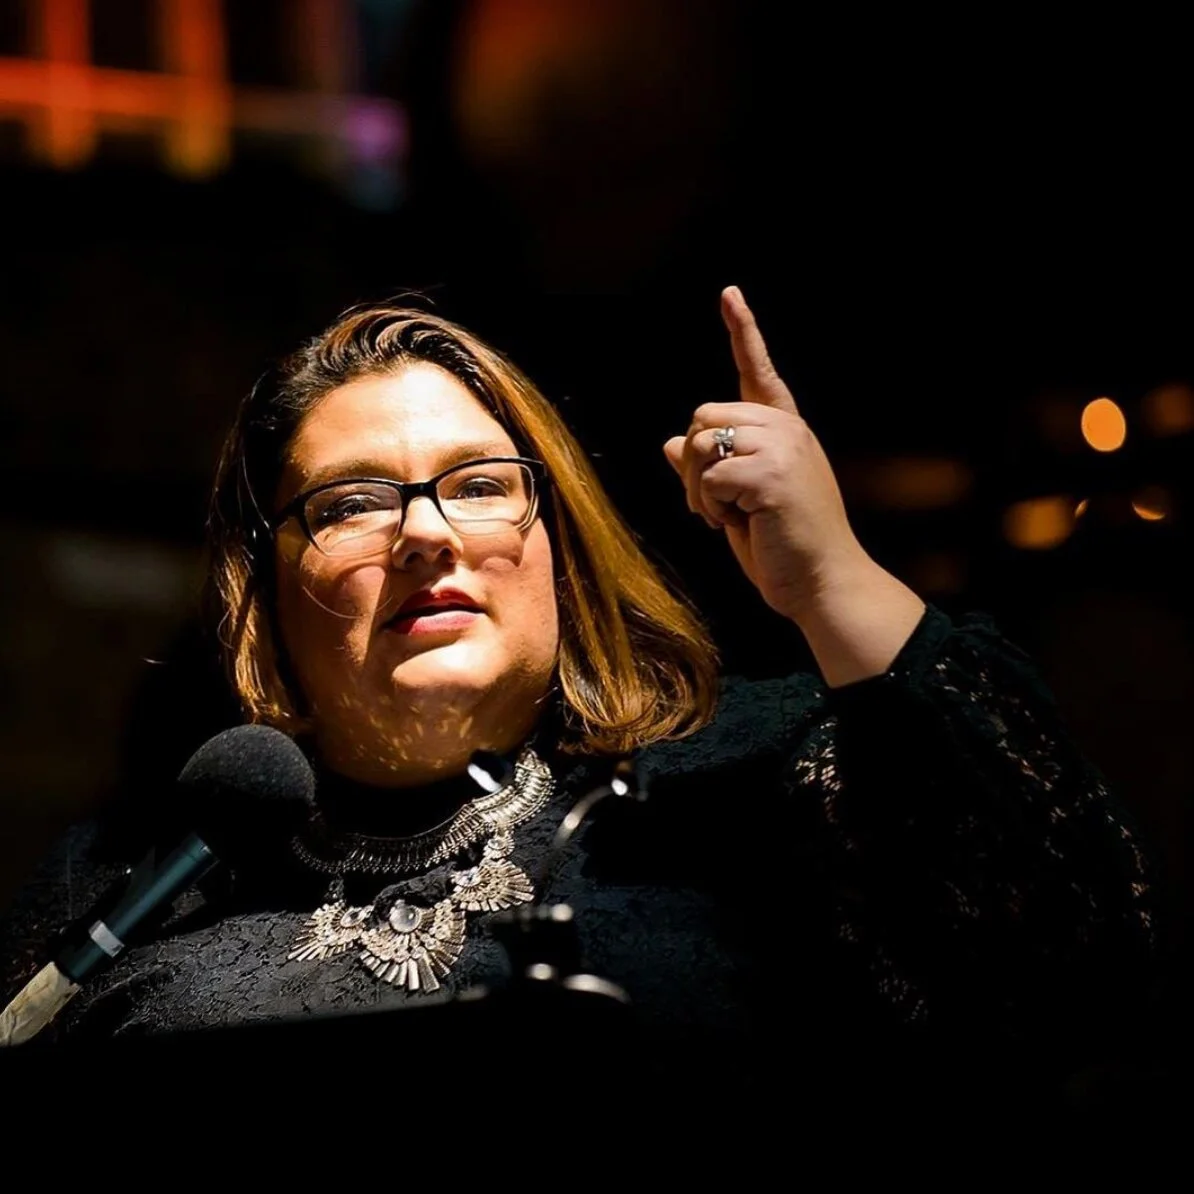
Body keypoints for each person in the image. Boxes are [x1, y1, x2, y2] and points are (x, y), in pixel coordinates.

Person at [0, 288, 1162, 1132]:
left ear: (556, 547)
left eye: (479, 485)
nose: (425, 531)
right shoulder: (123, 894)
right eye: (354, 502)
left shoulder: (757, 783)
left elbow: (1082, 970)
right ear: (268, 583)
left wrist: (835, 584)